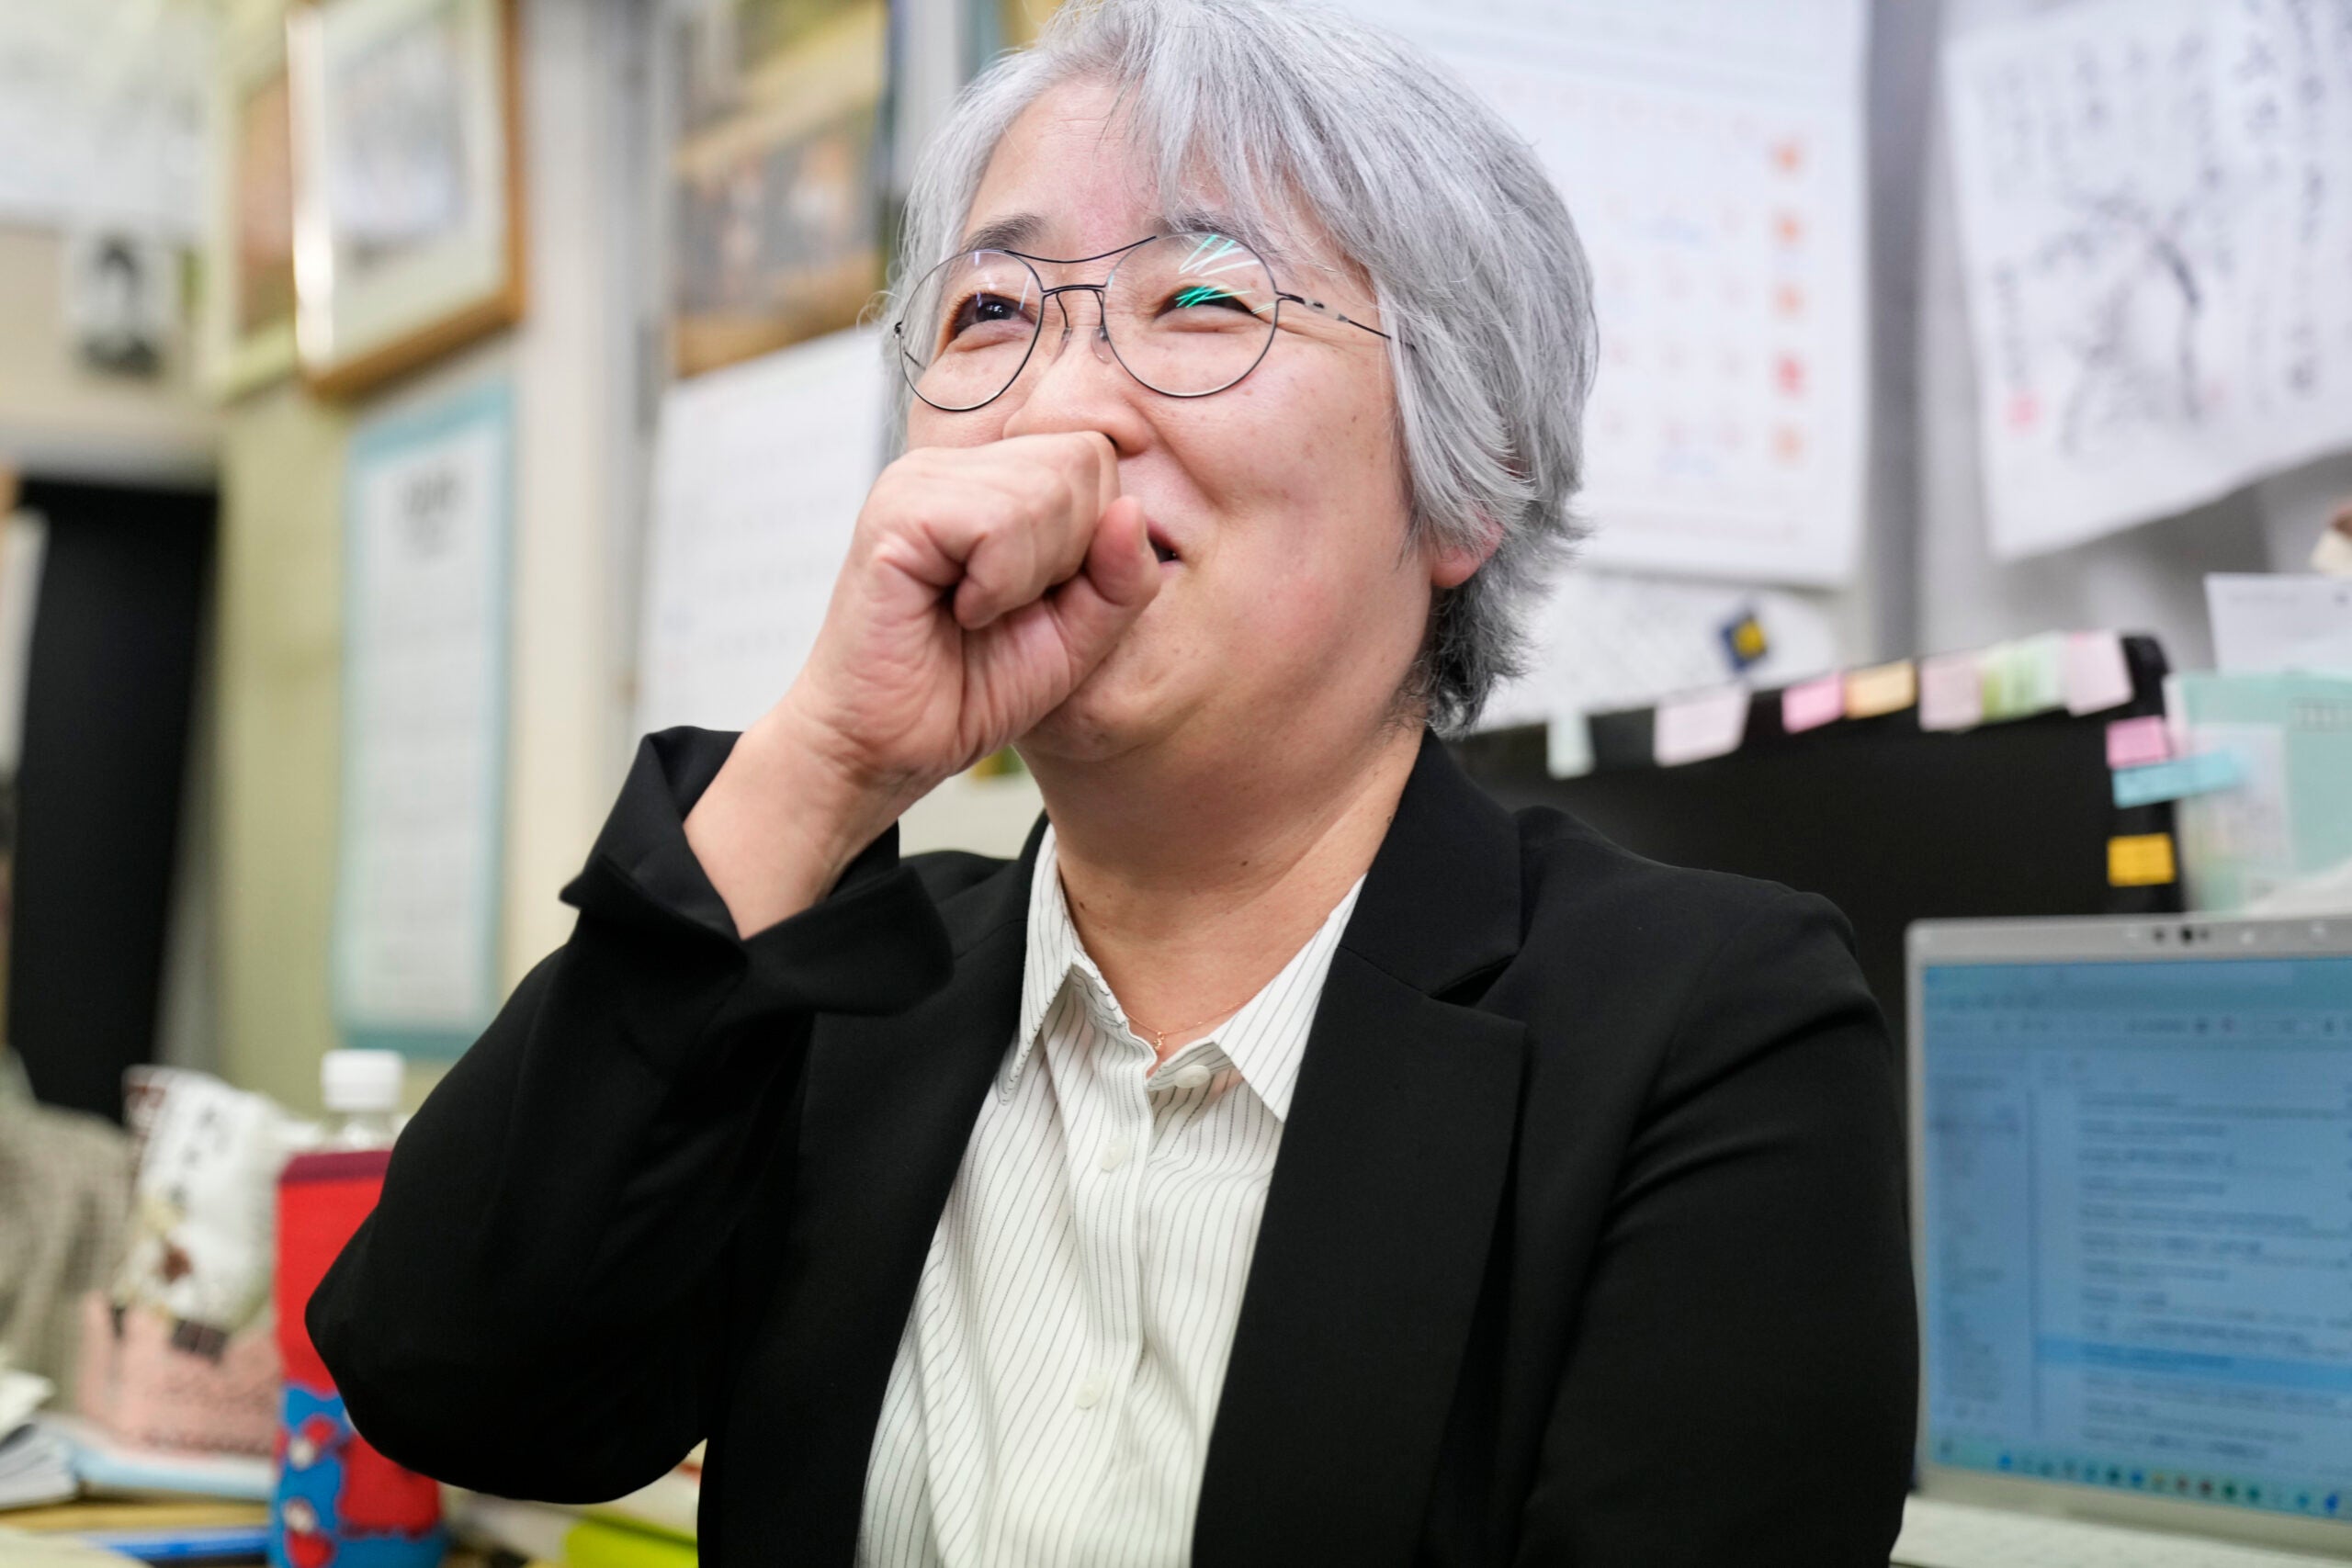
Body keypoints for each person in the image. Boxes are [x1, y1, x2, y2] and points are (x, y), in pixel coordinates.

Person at [308, 0, 1917, 1562]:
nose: (1058, 410)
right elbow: (456, 1384)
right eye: (992, 313)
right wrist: (826, 764)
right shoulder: (851, 995)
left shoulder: (1712, 1026)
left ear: (1459, 483)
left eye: (1204, 300)